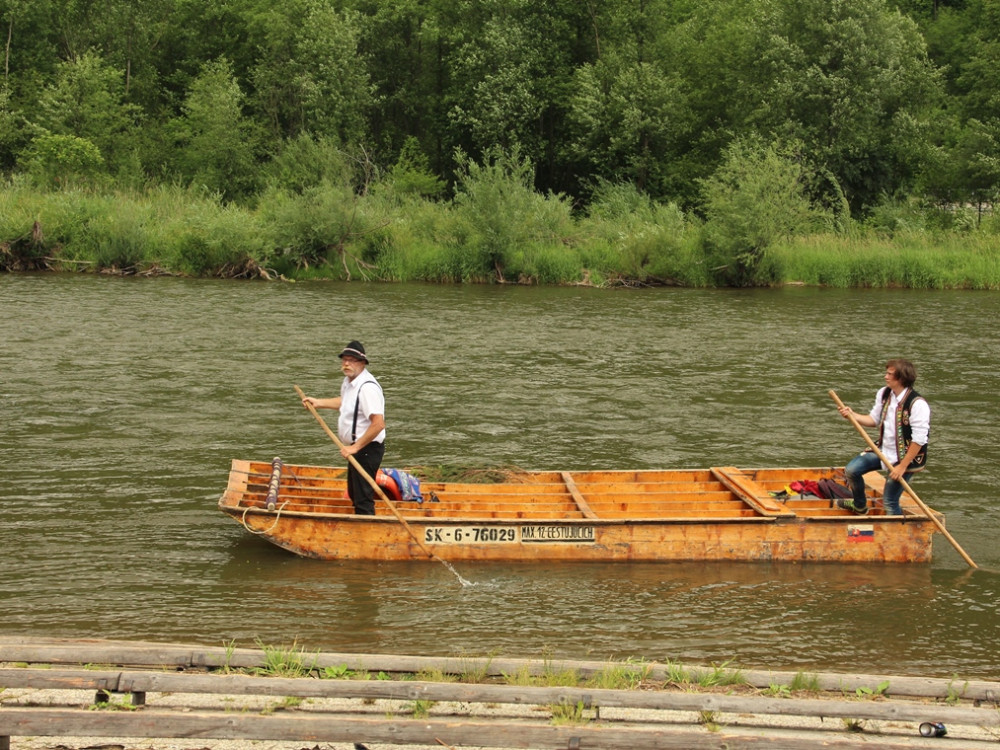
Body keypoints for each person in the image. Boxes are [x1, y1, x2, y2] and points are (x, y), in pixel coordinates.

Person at [836, 358, 930, 516]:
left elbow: (919, 440)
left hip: (905, 459)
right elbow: (874, 420)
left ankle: (899, 536)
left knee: (890, 501)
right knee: (852, 470)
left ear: (901, 378)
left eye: (890, 374)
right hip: (883, 451)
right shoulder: (884, 393)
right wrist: (852, 415)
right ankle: (859, 505)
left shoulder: (917, 404)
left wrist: (902, 467)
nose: (885, 377)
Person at [301, 340, 385, 515]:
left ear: (362, 363)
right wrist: (319, 403)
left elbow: (378, 424)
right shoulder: (349, 382)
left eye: (352, 360)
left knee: (362, 498)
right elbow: (346, 403)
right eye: (344, 360)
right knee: (355, 493)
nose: (346, 364)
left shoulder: (367, 388)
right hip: (356, 449)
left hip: (367, 449)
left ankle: (368, 533)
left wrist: (355, 447)